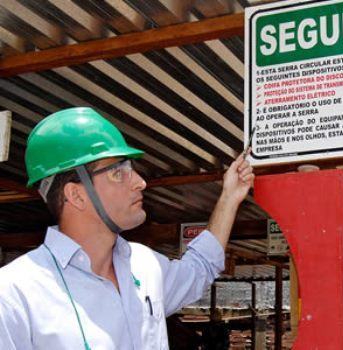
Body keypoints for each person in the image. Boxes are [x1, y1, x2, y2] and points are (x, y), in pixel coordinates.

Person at [0, 107, 254, 349]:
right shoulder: (15, 294)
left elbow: (201, 267)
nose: (141, 183)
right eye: (117, 173)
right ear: (76, 195)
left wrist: (229, 197)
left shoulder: (144, 266)